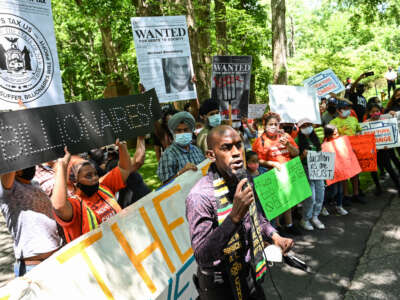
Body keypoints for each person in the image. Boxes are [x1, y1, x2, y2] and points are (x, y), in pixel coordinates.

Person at [186, 125, 294, 300]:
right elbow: (203, 255)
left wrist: (274, 236)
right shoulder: (199, 196)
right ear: (211, 155)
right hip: (219, 283)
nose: (236, 152)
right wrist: (234, 217)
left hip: (247, 270)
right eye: (226, 148)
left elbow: (256, 216)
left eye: (239, 145)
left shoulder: (244, 178)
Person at [51, 139, 133, 242]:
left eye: (95, 174)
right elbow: (59, 206)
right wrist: (62, 167)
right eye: (88, 176)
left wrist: (122, 147)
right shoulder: (75, 206)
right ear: (75, 182)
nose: (95, 178)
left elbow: (125, 169)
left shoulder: (103, 188)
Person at [0, 166, 64, 276]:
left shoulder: (35, 184)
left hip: (57, 258)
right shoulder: (6, 188)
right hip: (33, 266)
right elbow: (9, 163)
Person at [252, 112, 301, 235]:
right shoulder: (260, 141)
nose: (273, 126)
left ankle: (289, 225)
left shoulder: (286, 137)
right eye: (271, 124)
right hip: (271, 174)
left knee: (288, 200)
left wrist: (288, 144)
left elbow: (296, 153)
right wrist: (272, 164)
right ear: (265, 125)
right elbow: (257, 160)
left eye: (276, 124)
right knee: (277, 202)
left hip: (288, 173)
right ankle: (277, 227)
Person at [329, 101, 364, 205]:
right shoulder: (333, 122)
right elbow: (331, 137)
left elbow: (359, 131)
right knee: (344, 175)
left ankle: (356, 194)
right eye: (345, 108)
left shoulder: (353, 119)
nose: (348, 110)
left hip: (354, 151)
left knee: (355, 173)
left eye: (349, 108)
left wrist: (360, 140)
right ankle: (346, 195)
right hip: (341, 151)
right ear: (339, 110)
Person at [157, 111, 205, 184]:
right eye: (178, 131)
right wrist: (181, 173)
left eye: (186, 130)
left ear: (191, 131)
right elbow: (165, 184)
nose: (182, 133)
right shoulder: (168, 154)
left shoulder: (197, 150)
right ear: (173, 133)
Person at [296, 118, 326, 231]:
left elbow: (320, 151)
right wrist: (302, 156)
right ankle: (305, 219)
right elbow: (294, 159)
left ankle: (315, 216)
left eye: (309, 125)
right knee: (310, 197)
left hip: (318, 168)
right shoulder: (297, 139)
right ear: (300, 128)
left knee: (320, 193)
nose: (307, 127)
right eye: (304, 126)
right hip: (305, 169)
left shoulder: (315, 138)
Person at [365, 104, 400, 196]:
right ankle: (378, 187)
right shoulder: (366, 123)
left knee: (389, 168)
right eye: (373, 112)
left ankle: (398, 185)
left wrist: (392, 114)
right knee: (373, 170)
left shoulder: (384, 120)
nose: (376, 113)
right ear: (369, 112)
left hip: (384, 150)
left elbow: (392, 129)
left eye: (377, 111)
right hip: (372, 151)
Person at [323, 125, 348, 216]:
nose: (336, 135)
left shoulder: (340, 141)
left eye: (337, 133)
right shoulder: (325, 145)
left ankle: (339, 206)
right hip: (331, 172)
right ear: (328, 134)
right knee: (332, 191)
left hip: (340, 170)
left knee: (340, 189)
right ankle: (323, 206)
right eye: (334, 134)